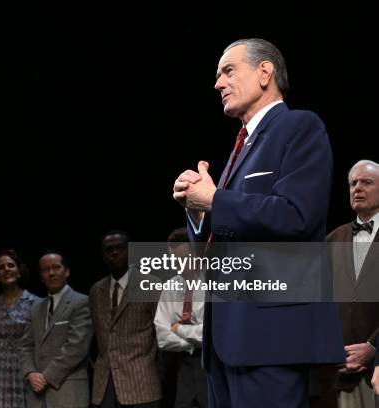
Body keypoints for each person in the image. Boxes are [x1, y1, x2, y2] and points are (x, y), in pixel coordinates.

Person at [172, 38, 344, 407]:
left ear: (264, 72)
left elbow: (298, 215)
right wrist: (198, 210)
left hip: (271, 339)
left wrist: (216, 199)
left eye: (228, 70)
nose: (218, 83)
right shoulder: (241, 148)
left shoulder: (299, 126)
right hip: (224, 339)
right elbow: (219, 243)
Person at [327, 160, 379, 407]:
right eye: (353, 183)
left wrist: (373, 347)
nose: (357, 188)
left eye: (366, 182)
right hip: (343, 371)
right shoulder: (333, 239)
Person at [90, 231, 162, 408]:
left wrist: (157, 374)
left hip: (142, 384)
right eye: (109, 249)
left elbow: (162, 336)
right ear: (103, 255)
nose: (114, 253)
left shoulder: (150, 284)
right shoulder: (96, 290)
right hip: (104, 387)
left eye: (120, 248)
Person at [19, 251, 93, 408]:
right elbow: (26, 345)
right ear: (41, 276)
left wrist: (46, 377)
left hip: (67, 389)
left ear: (66, 271)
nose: (51, 273)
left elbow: (77, 347)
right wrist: (30, 373)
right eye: (45, 270)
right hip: (36, 394)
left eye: (56, 267)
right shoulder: (35, 306)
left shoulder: (81, 302)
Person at [154, 228, 207, 408]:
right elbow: (162, 338)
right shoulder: (170, 286)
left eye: (184, 259)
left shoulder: (213, 283)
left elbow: (210, 333)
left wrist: (178, 329)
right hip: (183, 367)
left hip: (211, 364)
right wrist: (193, 341)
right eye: (175, 260)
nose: (180, 265)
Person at [0, 250, 39, 408]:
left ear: (19, 272)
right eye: (1, 267)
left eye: (11, 265)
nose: (6, 269)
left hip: (23, 368)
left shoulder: (35, 302)